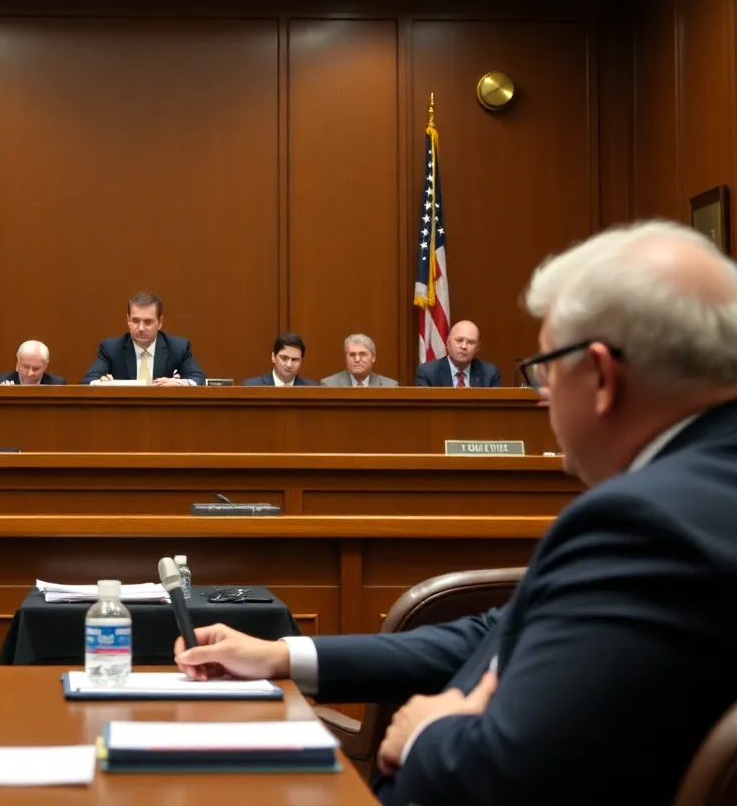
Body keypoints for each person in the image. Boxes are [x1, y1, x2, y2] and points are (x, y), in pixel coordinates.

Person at [173, 220, 737, 805]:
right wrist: (282, 654)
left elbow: (502, 774)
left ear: (600, 376)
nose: (541, 396)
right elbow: (499, 633)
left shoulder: (641, 523)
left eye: (545, 369)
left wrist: (428, 732)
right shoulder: (696, 498)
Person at [81, 292, 204, 385]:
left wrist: (180, 383)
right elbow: (88, 381)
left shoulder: (178, 348)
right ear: (128, 320)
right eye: (135, 321)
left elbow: (199, 379)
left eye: (148, 322)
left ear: (160, 322)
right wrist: (100, 383)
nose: (141, 328)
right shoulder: (111, 349)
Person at [414, 320, 500, 387]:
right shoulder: (428, 373)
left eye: (471, 342)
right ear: (447, 343)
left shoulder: (489, 373)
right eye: (459, 340)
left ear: (477, 348)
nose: (464, 346)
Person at [321, 334, 398, 387]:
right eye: (352, 355)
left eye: (362, 354)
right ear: (345, 357)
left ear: (373, 357)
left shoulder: (390, 386)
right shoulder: (329, 385)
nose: (357, 359)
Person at [242, 333, 317, 386]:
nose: (289, 365)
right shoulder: (251, 386)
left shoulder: (313, 389)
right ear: (273, 357)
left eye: (294, 360)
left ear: (301, 361)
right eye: (284, 358)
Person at [0, 340, 66, 385]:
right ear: (17, 364)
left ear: (45, 367)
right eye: (26, 367)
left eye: (36, 368)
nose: (30, 373)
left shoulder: (57, 385)